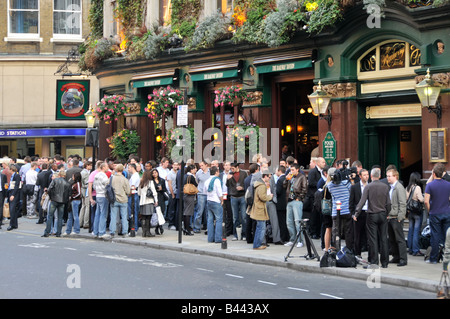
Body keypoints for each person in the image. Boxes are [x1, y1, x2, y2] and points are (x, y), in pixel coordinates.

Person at [354, 167, 391, 269]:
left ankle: (374, 262)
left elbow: (362, 202)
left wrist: (356, 214)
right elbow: (388, 203)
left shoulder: (368, 187)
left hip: (372, 214)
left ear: (371, 176)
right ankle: (385, 262)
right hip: (383, 214)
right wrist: (387, 212)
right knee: (384, 238)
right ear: (379, 176)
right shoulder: (385, 187)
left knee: (373, 239)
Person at [424, 163, 450, 264]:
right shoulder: (448, 184)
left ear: (434, 173)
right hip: (446, 212)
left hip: (435, 212)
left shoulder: (430, 185)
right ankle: (446, 257)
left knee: (435, 236)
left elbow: (426, 201)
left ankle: (434, 258)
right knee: (446, 236)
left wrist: (429, 210)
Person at [327, 167, 353, 250]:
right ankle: (349, 249)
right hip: (346, 210)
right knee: (348, 232)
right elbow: (351, 190)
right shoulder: (346, 184)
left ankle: (336, 249)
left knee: (336, 232)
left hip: (335, 212)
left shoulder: (329, 186)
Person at [386, 168, 408, 267]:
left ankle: (403, 259)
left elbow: (403, 203)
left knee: (399, 239)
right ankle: (396, 256)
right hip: (390, 216)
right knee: (392, 239)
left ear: (395, 176)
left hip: (396, 217)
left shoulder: (399, 187)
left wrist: (400, 216)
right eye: (387, 176)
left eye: (389, 176)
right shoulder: (391, 187)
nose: (388, 178)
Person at [283, 163, 307, 248]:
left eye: (293, 170)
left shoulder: (301, 176)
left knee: (297, 221)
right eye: (290, 170)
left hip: (297, 200)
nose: (291, 171)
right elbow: (284, 186)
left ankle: (300, 240)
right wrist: (286, 179)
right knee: (289, 222)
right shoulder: (290, 177)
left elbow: (304, 189)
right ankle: (292, 239)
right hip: (289, 200)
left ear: (297, 169)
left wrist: (299, 197)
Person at [42, 170, 71, 237]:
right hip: (62, 202)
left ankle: (47, 232)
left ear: (59, 175)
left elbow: (49, 189)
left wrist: (51, 197)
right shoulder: (67, 183)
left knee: (50, 216)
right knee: (60, 218)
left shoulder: (55, 180)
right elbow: (69, 194)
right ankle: (58, 232)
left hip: (54, 200)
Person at [349, 168, 369, 260]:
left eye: (367, 175)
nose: (366, 177)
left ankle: (371, 254)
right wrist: (353, 214)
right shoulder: (354, 187)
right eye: (364, 175)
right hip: (358, 214)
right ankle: (357, 253)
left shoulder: (371, 186)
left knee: (369, 235)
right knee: (357, 235)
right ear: (360, 176)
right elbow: (351, 202)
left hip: (369, 212)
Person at [250, 170, 273, 250]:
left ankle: (256, 244)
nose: (269, 179)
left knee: (259, 227)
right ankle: (257, 245)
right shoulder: (262, 185)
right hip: (260, 209)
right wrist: (270, 196)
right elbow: (262, 197)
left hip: (258, 208)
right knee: (261, 228)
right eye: (269, 177)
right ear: (265, 176)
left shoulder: (258, 183)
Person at [227, 162, 248, 241]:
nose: (232, 170)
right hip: (233, 196)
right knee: (235, 217)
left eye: (233, 168)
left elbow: (246, 184)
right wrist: (227, 179)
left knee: (244, 217)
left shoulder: (243, 173)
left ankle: (244, 234)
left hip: (242, 196)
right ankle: (235, 235)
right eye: (231, 168)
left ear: (237, 167)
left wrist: (242, 188)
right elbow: (227, 185)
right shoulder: (230, 174)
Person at [406, 172, 425, 257]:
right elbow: (420, 199)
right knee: (416, 231)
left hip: (410, 211)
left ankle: (410, 248)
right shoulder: (417, 188)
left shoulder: (407, 187)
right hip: (417, 212)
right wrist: (425, 198)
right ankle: (416, 250)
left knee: (410, 230)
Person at [307, 157, 326, 239]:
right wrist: (321, 184)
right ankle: (313, 232)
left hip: (321, 196)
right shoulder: (313, 172)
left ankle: (318, 232)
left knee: (319, 215)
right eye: (323, 162)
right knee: (314, 215)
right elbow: (311, 183)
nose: (324, 163)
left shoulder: (323, 172)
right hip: (313, 196)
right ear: (318, 163)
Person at [109, 164, 131, 237]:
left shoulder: (112, 178)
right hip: (123, 199)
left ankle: (112, 231)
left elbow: (107, 187)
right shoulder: (125, 179)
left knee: (113, 216)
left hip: (114, 199)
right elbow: (128, 191)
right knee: (124, 217)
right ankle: (125, 232)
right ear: (123, 170)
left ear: (116, 170)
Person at [205, 166, 223, 243]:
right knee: (219, 220)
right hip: (216, 201)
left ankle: (210, 238)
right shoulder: (217, 180)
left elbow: (204, 191)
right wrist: (222, 200)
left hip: (209, 200)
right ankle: (218, 238)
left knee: (210, 220)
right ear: (216, 172)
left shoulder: (207, 180)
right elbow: (219, 192)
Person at [138, 170, 158, 237]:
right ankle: (148, 232)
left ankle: (144, 232)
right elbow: (154, 192)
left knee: (143, 217)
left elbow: (139, 193)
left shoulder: (141, 182)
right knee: (148, 217)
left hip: (142, 202)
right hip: (149, 201)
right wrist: (156, 200)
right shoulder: (150, 182)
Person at [92, 163, 110, 239]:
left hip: (98, 195)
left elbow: (94, 186)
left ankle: (95, 231)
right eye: (107, 167)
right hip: (103, 195)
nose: (108, 168)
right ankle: (102, 232)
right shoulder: (104, 176)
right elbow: (107, 185)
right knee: (103, 214)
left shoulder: (96, 175)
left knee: (97, 214)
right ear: (103, 167)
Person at [193, 161, 210, 233]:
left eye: (202, 165)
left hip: (209, 194)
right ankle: (197, 227)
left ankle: (208, 228)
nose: (201, 167)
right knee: (200, 211)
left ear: (206, 165)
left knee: (208, 212)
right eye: (200, 166)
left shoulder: (210, 171)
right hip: (201, 193)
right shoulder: (198, 173)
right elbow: (196, 182)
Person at [64, 172, 82, 236]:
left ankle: (76, 230)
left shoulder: (77, 184)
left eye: (73, 176)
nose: (72, 177)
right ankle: (68, 230)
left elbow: (79, 193)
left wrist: (72, 197)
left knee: (75, 216)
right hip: (73, 201)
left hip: (75, 201)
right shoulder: (75, 183)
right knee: (70, 216)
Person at [151, 168, 168, 235]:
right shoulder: (151, 181)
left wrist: (161, 189)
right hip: (155, 197)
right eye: (153, 173)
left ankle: (160, 226)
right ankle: (158, 227)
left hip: (161, 197)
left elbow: (165, 189)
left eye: (155, 172)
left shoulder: (162, 180)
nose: (154, 174)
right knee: (157, 213)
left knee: (162, 212)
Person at [275, 165, 289, 243]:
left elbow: (278, 191)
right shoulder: (287, 179)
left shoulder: (280, 180)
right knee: (286, 221)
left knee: (281, 222)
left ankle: (283, 237)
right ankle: (287, 236)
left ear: (280, 171)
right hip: (286, 202)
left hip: (280, 203)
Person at [183, 164, 198, 235]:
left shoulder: (184, 176)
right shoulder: (191, 176)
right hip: (190, 195)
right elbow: (196, 184)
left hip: (184, 194)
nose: (195, 170)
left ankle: (185, 228)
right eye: (194, 169)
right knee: (188, 213)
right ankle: (187, 229)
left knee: (185, 211)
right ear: (191, 170)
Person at [7, 164, 21, 231]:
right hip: (10, 193)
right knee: (13, 210)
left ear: (11, 169)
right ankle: (15, 224)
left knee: (12, 210)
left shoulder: (17, 175)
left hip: (13, 194)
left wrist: (13, 195)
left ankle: (11, 224)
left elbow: (17, 186)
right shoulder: (12, 176)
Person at [128, 163, 141, 233]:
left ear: (132, 168)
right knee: (134, 212)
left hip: (133, 195)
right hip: (134, 195)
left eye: (129, 168)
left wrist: (129, 194)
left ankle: (134, 228)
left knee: (133, 212)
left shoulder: (134, 176)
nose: (128, 169)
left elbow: (132, 187)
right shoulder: (135, 175)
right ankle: (134, 227)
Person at [166, 161, 179, 230]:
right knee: (171, 209)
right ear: (172, 165)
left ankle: (175, 222)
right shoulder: (170, 173)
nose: (175, 166)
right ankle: (170, 223)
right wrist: (172, 193)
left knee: (176, 209)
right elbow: (169, 184)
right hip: (172, 193)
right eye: (174, 165)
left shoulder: (178, 172)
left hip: (177, 192)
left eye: (177, 165)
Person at [79, 161, 92, 229]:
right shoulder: (86, 173)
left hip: (82, 190)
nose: (91, 167)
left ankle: (80, 222)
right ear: (87, 165)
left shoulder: (82, 172)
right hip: (86, 190)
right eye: (90, 165)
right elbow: (87, 183)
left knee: (83, 206)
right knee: (87, 206)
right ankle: (86, 223)